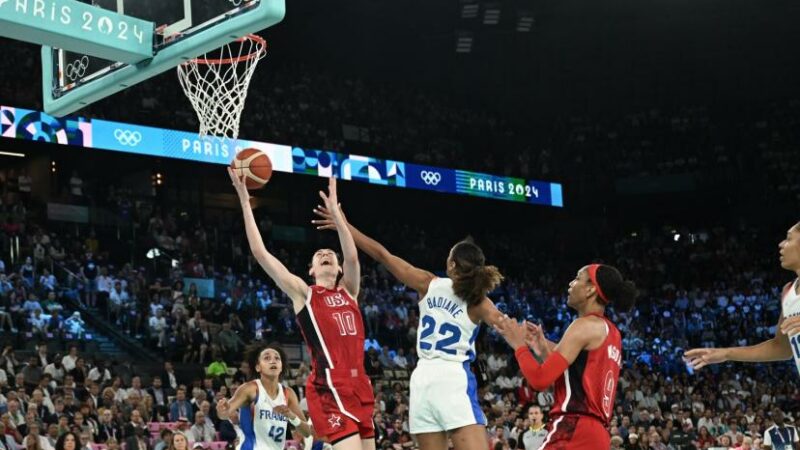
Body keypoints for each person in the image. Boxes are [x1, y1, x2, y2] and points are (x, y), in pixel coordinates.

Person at [312, 206, 504, 450]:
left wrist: (344, 225)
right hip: (453, 376)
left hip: (422, 378)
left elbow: (382, 254)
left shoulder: (428, 283)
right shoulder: (479, 300)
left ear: (452, 265)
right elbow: (505, 326)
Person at [231, 171, 374, 450]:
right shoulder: (304, 294)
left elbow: (354, 255)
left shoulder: (349, 291)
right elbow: (261, 254)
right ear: (311, 269)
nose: (325, 254)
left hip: (360, 386)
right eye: (318, 255)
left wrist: (338, 216)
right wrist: (246, 203)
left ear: (339, 267)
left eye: (330, 254)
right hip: (329, 387)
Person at [494, 264, 638, 449]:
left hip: (574, 426)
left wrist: (518, 345)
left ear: (590, 289)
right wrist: (544, 347)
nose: (571, 283)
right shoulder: (612, 333)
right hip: (598, 435)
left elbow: (539, 380)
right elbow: (578, 370)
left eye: (578, 278)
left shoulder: (583, 325)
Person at [685, 221, 800, 373]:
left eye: (789, 238)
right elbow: (781, 348)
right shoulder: (788, 291)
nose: (781, 244)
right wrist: (726, 353)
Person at [216, 343, 312, 450]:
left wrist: (291, 416)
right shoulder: (250, 389)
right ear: (258, 367)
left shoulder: (288, 394)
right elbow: (225, 414)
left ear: (281, 367)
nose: (273, 361)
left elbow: (307, 432)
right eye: (267, 358)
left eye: (277, 358)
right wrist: (223, 410)